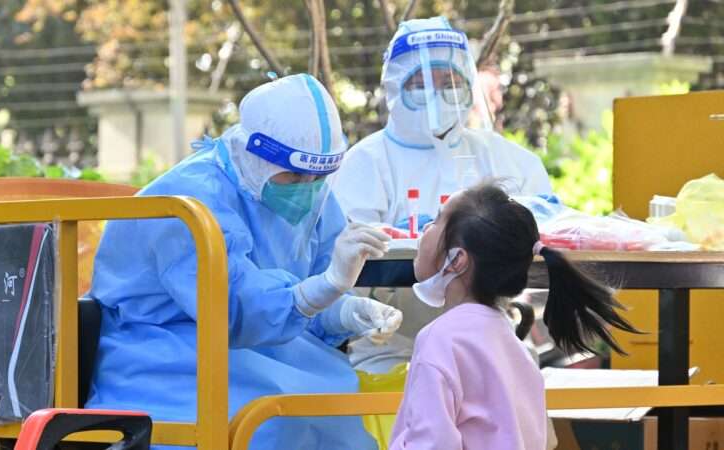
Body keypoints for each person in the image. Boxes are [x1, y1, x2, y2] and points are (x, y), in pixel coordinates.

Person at [85, 74, 403, 450]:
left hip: (261, 350)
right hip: (162, 350)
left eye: (319, 175)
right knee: (272, 425)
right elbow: (232, 310)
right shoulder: (188, 200)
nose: (308, 186)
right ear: (254, 153)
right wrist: (329, 285)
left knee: (336, 406)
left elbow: (303, 296)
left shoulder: (312, 195)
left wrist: (343, 311)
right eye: (295, 174)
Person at [332, 16, 554, 374]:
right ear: (394, 86)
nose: (437, 94)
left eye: (449, 81)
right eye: (419, 83)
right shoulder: (365, 164)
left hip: (492, 346)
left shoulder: (506, 159)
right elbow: (347, 260)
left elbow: (547, 227)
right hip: (390, 355)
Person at [389, 183, 640, 450]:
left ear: (457, 259)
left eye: (438, 221)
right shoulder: (512, 340)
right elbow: (545, 438)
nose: (426, 229)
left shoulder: (439, 340)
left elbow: (431, 443)